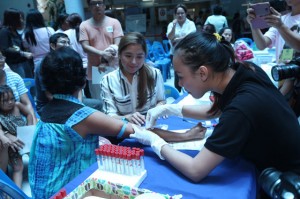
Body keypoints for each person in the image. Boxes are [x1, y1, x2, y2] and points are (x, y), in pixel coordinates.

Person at [130, 32, 300, 196]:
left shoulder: (242, 108)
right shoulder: (244, 70)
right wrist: (170, 108)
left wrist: (155, 141)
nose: (180, 84)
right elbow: (215, 110)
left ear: (203, 73)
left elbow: (195, 170)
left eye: (180, 76)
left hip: (287, 181)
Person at [28, 47, 201, 198]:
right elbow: (139, 132)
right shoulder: (83, 115)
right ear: (81, 80)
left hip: (41, 190)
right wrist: (185, 135)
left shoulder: (46, 111)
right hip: (66, 190)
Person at [247, 0, 300, 116]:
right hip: (282, 75)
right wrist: (253, 25)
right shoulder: (282, 19)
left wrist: (280, 26)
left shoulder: (280, 21)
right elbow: (262, 44)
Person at [100, 32, 165, 126]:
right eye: (128, 56)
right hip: (124, 129)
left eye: (139, 57)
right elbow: (109, 115)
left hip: (151, 126)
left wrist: (158, 108)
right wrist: (126, 117)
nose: (134, 62)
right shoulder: (108, 80)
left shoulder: (154, 74)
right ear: (119, 55)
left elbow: (161, 100)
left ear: (145, 56)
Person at [35, 33, 103, 115]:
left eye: (68, 43)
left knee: (98, 104)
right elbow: (49, 95)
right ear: (53, 46)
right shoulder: (44, 64)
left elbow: (78, 87)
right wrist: (72, 107)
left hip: (71, 100)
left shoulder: (70, 61)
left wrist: (79, 105)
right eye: (63, 42)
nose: (67, 45)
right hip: (49, 104)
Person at [80, 0, 124, 100]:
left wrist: (105, 61)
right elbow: (85, 47)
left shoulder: (114, 22)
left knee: (118, 98)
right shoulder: (84, 25)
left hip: (114, 67)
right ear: (89, 6)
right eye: (93, 3)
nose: (97, 6)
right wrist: (102, 53)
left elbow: (117, 44)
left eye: (100, 3)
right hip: (95, 70)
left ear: (104, 6)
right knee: (99, 100)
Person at [0, 85, 33, 188]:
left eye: (12, 99)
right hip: (12, 145)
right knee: (18, 167)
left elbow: (29, 114)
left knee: (35, 157)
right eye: (5, 100)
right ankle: (17, 191)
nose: (10, 102)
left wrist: (29, 127)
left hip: (25, 138)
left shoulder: (17, 105)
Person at [0, 52, 37, 124]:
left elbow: (27, 104)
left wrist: (34, 124)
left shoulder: (14, 77)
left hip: (19, 120)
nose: (1, 60)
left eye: (1, 57)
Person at [167, 4, 196, 92]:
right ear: (175, 14)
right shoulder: (171, 24)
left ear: (186, 13)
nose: (180, 15)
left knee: (188, 72)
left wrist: (177, 39)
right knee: (177, 74)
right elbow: (170, 37)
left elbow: (191, 37)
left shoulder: (191, 24)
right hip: (175, 53)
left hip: (188, 53)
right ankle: (178, 93)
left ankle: (190, 92)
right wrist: (174, 27)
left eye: (182, 13)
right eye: (178, 13)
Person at [0, 8, 33, 78]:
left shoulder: (14, 30)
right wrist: (22, 53)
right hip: (14, 64)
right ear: (13, 19)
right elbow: (4, 49)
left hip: (23, 62)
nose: (21, 20)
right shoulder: (4, 32)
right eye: (19, 18)